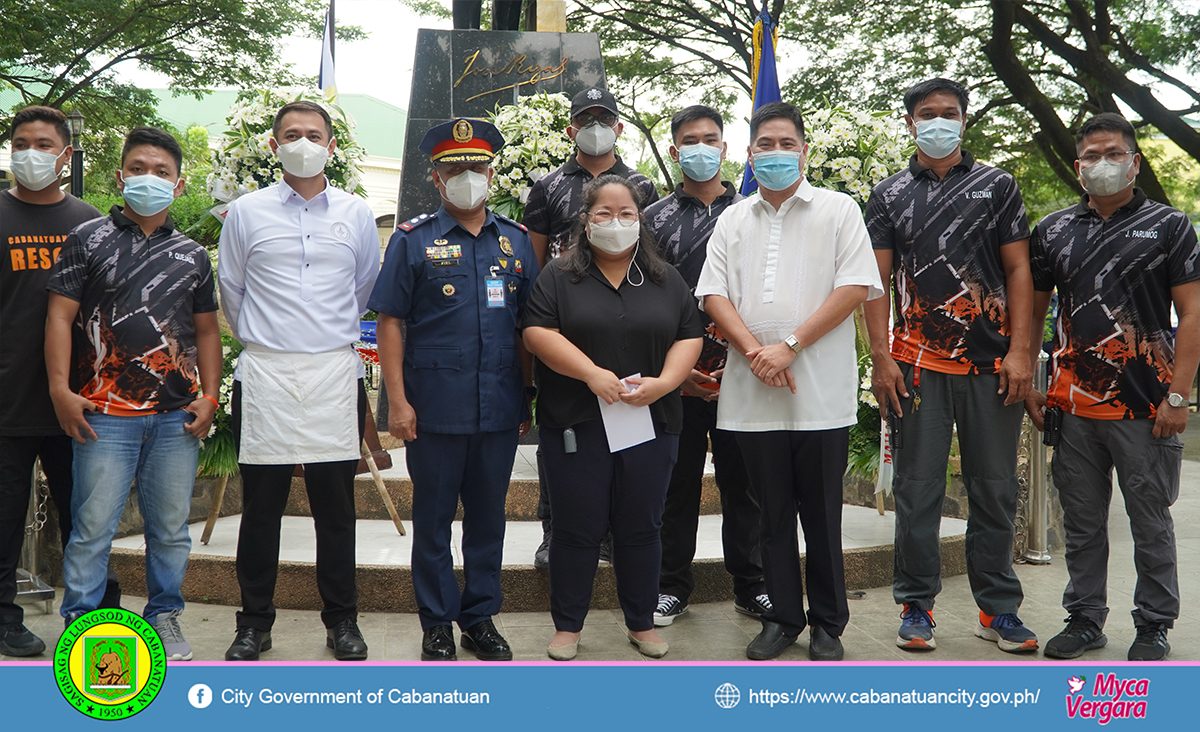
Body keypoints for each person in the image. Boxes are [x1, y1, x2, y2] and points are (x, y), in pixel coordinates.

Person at [696, 101, 883, 662]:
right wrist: (756, 353)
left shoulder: (838, 209)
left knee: (822, 513)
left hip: (820, 394)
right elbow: (712, 293)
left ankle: (829, 624)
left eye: (786, 144)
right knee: (769, 514)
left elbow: (854, 286)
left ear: (805, 150)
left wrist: (790, 347)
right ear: (749, 155)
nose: (775, 153)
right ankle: (782, 617)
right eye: (765, 145)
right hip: (752, 391)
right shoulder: (733, 218)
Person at [863, 78, 1038, 654]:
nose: (940, 121)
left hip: (992, 366)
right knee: (918, 488)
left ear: (965, 120)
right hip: (917, 366)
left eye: (950, 113)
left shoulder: (999, 186)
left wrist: (1019, 352)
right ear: (910, 122)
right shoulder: (888, 194)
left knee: (994, 488)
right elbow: (876, 284)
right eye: (928, 113)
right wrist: (882, 358)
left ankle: (998, 610)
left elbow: (1019, 272)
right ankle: (916, 605)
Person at [1026, 113, 1200, 661]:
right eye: (1091, 157)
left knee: (1150, 520)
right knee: (1081, 522)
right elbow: (1032, 315)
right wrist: (1032, 378)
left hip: (1147, 407)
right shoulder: (1051, 231)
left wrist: (1178, 394)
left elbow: (1192, 314)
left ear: (1134, 161)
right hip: (1073, 408)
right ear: (1077, 167)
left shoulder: (1171, 228)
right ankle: (1084, 619)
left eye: (1113, 154)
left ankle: (1154, 624)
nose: (1102, 164)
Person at [45, 126, 220, 661]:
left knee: (169, 531)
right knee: (93, 528)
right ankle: (85, 625)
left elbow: (208, 331)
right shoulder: (88, 239)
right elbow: (59, 316)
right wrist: (60, 389)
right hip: (103, 414)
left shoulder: (193, 254)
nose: (150, 179)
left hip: (175, 418)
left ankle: (164, 617)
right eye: (139, 169)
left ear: (180, 185)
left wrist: (210, 396)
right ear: (120, 177)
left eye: (162, 172)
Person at [370, 117, 538, 662]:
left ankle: (481, 617)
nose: (468, 176)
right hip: (432, 411)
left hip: (498, 409)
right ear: (437, 179)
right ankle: (437, 622)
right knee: (434, 521)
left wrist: (527, 398)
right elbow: (390, 321)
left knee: (489, 520)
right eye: (454, 169)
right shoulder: (412, 240)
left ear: (492, 172)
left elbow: (530, 328)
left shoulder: (514, 241)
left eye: (477, 167)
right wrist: (396, 402)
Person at [217, 101, 379, 662]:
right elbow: (232, 293)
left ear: (331, 145)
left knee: (336, 509)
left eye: (314, 134)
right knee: (261, 508)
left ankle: (342, 621)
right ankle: (254, 623)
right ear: (273, 144)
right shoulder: (245, 212)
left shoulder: (357, 214)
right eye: (292, 134)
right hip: (266, 372)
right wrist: (277, 339)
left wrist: (317, 337)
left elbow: (362, 290)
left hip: (333, 371)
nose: (303, 142)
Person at [522, 174, 703, 661]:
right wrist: (590, 374)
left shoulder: (666, 278)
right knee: (576, 527)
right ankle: (567, 625)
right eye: (604, 213)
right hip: (577, 423)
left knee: (641, 526)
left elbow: (690, 334)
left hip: (651, 422)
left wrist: (666, 383)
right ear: (585, 220)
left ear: (640, 221)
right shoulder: (559, 275)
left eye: (626, 214)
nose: (615, 223)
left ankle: (641, 623)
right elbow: (537, 332)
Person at [0, 106, 121, 658]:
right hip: (6, 403)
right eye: (21, 142)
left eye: (44, 144)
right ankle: (5, 621)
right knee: (3, 520)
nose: (31, 153)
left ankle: (98, 620)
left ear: (65, 154)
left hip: (80, 404)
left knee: (87, 520)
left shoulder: (92, 224)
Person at [523, 85, 659, 567]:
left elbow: (654, 257)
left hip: (628, 326)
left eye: (605, 118)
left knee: (624, 434)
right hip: (567, 331)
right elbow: (534, 262)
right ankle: (554, 530)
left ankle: (610, 535)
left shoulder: (642, 185)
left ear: (620, 127)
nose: (596, 127)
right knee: (562, 436)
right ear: (572, 129)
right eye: (587, 119)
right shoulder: (549, 186)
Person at [643, 105, 769, 627]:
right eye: (689, 140)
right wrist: (672, 373)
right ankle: (670, 584)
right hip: (678, 379)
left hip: (744, 373)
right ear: (675, 152)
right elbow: (644, 302)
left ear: (725, 148)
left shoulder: (754, 213)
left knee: (747, 484)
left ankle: (753, 583)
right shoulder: (651, 221)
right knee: (676, 484)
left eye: (710, 138)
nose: (701, 147)